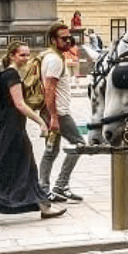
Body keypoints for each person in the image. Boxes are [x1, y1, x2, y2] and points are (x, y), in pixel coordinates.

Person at [0, 42, 67, 224]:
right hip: (12, 130)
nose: (26, 58)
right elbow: (19, 104)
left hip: (11, 128)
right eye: (22, 55)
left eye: (28, 55)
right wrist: (41, 121)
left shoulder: (7, 73)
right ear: (12, 55)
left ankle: (44, 206)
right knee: (1, 169)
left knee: (25, 168)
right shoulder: (11, 75)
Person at [38, 22, 85, 203]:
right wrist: (55, 117)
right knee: (79, 144)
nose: (68, 41)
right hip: (59, 113)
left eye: (69, 37)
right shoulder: (55, 60)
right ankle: (59, 186)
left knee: (51, 151)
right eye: (63, 38)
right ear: (53, 40)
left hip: (51, 112)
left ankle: (45, 189)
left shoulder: (50, 56)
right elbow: (49, 89)